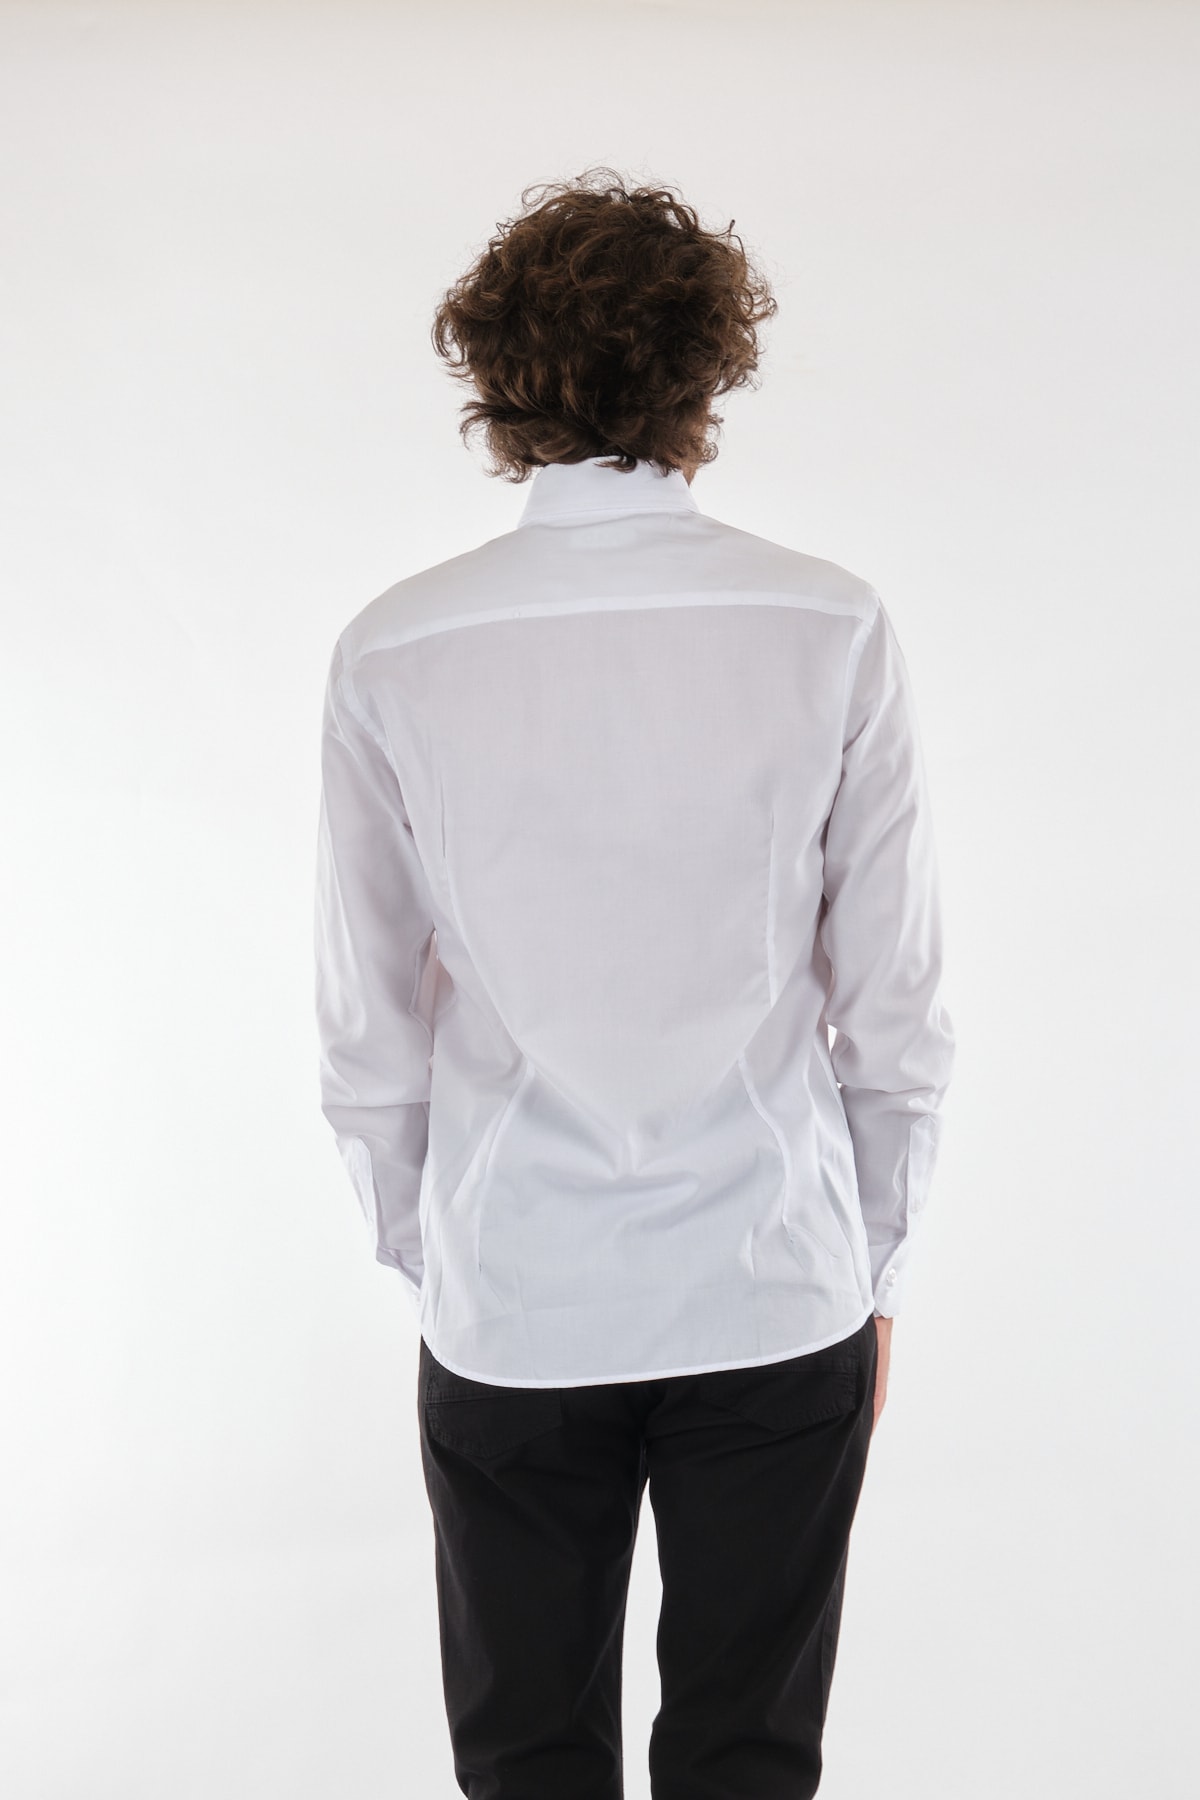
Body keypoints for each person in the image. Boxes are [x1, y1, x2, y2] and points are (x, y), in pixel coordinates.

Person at [313, 165, 955, 1800]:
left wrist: (443, 1263)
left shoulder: (398, 647)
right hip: (773, 1281)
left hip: (515, 1291)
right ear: (707, 372)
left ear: (495, 377)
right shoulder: (827, 624)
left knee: (527, 1762)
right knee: (748, 1761)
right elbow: (893, 1011)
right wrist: (872, 1261)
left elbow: (368, 1033)